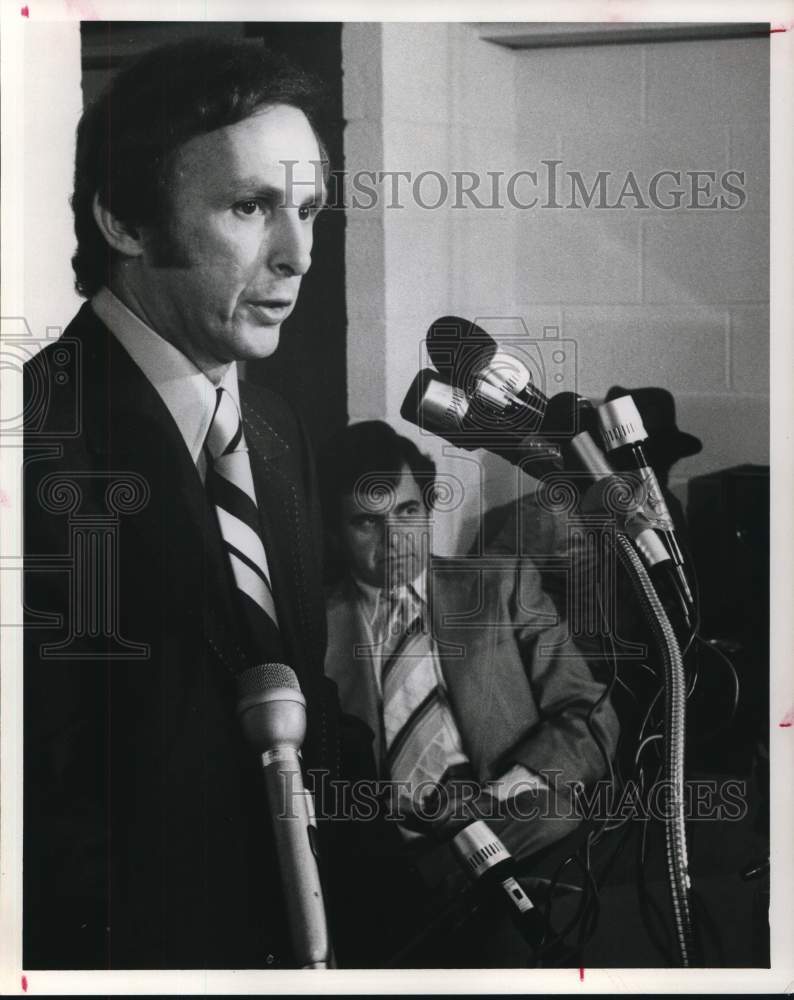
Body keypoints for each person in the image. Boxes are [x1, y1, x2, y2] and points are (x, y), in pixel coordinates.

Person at [23, 37, 339, 970]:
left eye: (310, 210)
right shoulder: (30, 441)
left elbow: (296, 699)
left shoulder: (275, 429)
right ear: (123, 219)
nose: (298, 255)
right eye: (251, 207)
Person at [319, 421, 620, 966]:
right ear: (335, 533)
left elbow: (592, 715)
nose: (394, 541)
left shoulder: (500, 584)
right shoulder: (311, 631)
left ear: (429, 509)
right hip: (391, 863)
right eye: (367, 522)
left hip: (520, 831)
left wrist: (500, 793)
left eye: (408, 512)